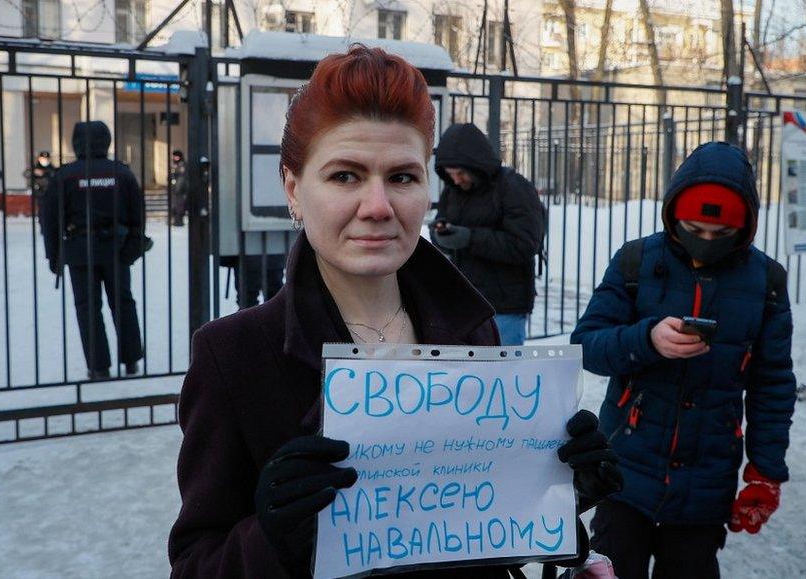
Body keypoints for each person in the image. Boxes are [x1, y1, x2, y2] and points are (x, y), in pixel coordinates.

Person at [168, 46, 621, 579]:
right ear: (294, 189)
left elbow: (478, 536)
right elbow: (197, 566)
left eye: (402, 177)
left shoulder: (474, 331)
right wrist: (272, 537)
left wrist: (555, 494)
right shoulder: (235, 356)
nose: (379, 206)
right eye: (345, 176)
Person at [570, 141, 797, 579]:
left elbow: (773, 384)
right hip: (624, 473)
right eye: (694, 228)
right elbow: (587, 346)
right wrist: (647, 339)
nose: (705, 244)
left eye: (721, 235)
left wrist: (766, 471)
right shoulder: (636, 261)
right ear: (674, 215)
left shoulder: (766, 282)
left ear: (745, 227)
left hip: (706, 483)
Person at [41, 121, 145, 380]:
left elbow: (50, 221)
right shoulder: (122, 173)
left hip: (79, 250)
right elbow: (138, 215)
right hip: (116, 250)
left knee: (87, 308)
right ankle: (131, 361)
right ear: (107, 141)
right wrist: (131, 249)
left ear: (76, 142)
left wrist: (54, 256)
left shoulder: (65, 175)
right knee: (123, 304)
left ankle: (99, 367)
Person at [430, 123, 545, 346]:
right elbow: (445, 228)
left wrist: (468, 238)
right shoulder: (454, 190)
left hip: (504, 307)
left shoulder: (513, 187)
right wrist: (442, 235)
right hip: (464, 302)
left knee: (500, 375)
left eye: (461, 173)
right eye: (451, 174)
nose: (456, 180)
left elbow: (524, 245)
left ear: (476, 165)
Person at [169, 150, 189, 226]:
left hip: (180, 190)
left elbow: (183, 178)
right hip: (174, 189)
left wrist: (178, 189)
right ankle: (175, 220)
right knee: (175, 205)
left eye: (176, 156)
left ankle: (179, 221)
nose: (174, 158)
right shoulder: (174, 165)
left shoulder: (182, 165)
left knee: (180, 206)